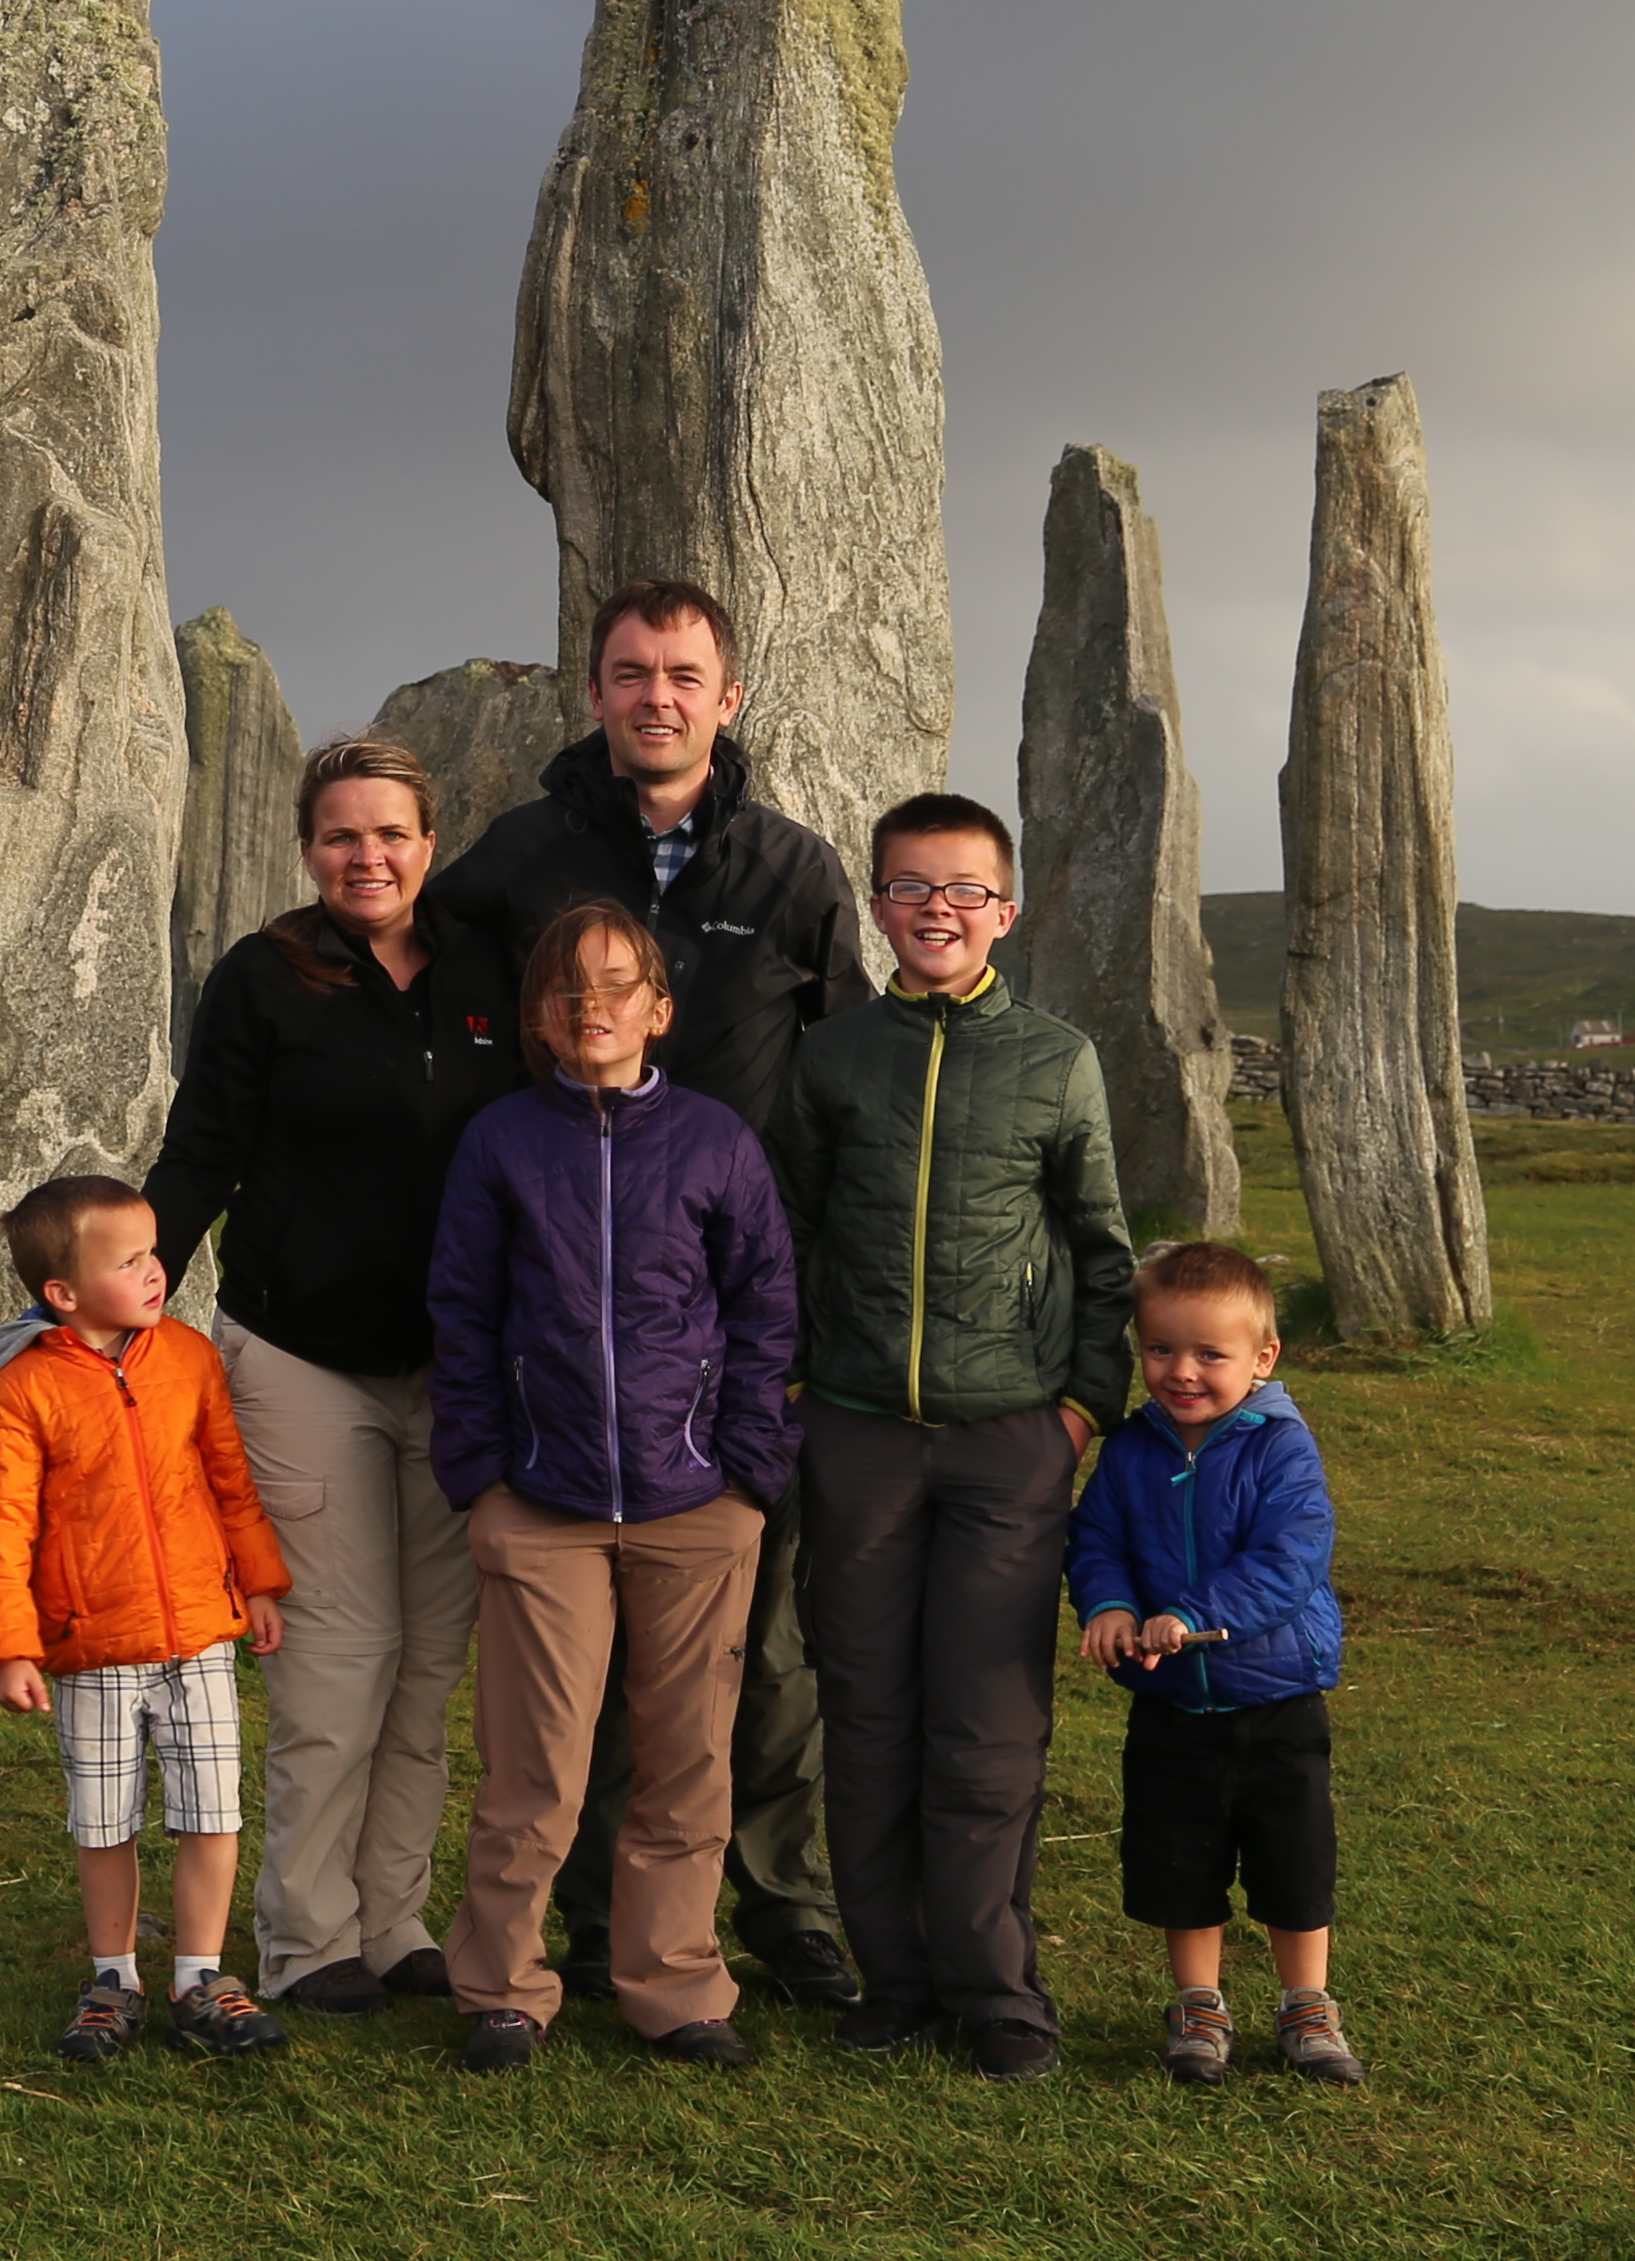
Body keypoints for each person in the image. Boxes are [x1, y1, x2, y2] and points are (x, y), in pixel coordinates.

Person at [440, 580, 873, 2011]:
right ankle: (580, 1920)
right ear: (597, 694)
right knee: (579, 1681)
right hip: (557, 1305)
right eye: (631, 673)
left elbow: (847, 1079)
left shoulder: (792, 873)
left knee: (761, 1656)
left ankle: (785, 1906)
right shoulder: (519, 861)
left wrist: (780, 1388)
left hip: (734, 1324)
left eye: (684, 674)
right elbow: (430, 1020)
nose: (657, 697)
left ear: (727, 697)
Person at [142, 733, 531, 2013]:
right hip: (302, 1355)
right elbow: (202, 1151)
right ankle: (308, 1938)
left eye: (391, 834)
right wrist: (131, 1302)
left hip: (459, 1366)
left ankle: (392, 1919)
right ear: (308, 850)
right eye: (340, 837)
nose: (368, 857)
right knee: (335, 1661)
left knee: (428, 1665)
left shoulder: (489, 967)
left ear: (431, 840)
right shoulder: (266, 977)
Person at [770, 790, 1137, 2080]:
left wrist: (1082, 1409)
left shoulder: (1056, 1058)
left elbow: (1102, 1249)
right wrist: (804, 1390)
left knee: (986, 1726)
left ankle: (1001, 1996)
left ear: (1007, 910)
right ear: (876, 906)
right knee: (866, 1716)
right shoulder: (835, 1057)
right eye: (913, 887)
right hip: (858, 1434)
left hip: (1007, 1441)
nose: (939, 910)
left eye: (966, 890)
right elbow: (790, 1237)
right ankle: (897, 1977)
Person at [423, 899, 803, 2074]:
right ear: (539, 1015)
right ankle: (502, 1986)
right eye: (567, 990)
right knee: (536, 1764)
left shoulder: (713, 1141)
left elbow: (765, 1309)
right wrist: (481, 1476)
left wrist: (747, 1472)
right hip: (541, 1503)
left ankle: (673, 1984)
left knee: (688, 1761)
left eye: (618, 985)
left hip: (695, 1502)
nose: (592, 1008)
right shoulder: (502, 1142)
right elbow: (464, 1312)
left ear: (661, 1009)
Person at [0, 1172, 300, 2063]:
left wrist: (259, 1583)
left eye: (155, 1253)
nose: (156, 1272)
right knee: (104, 1821)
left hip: (199, 1636)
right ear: (62, 1293)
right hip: (91, 1646)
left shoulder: (188, 1358)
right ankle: (113, 1979)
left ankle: (200, 1977)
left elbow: (230, 1478)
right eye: (131, 1261)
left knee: (211, 1810)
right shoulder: (25, 1390)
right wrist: (6, 1646)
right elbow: (1, 1522)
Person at [1069, 1238, 1360, 2089]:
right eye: (1160, 1349)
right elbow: (1096, 1541)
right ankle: (1198, 2004)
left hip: (1277, 1697)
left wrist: (1194, 1615)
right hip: (1169, 1704)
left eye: (1209, 1354)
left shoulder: (1280, 1447)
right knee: (1179, 1860)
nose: (1182, 1371)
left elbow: (1290, 1558)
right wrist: (1111, 1606)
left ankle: (1307, 2003)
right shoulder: (1129, 1451)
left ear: (1263, 1359)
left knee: (1293, 1859)